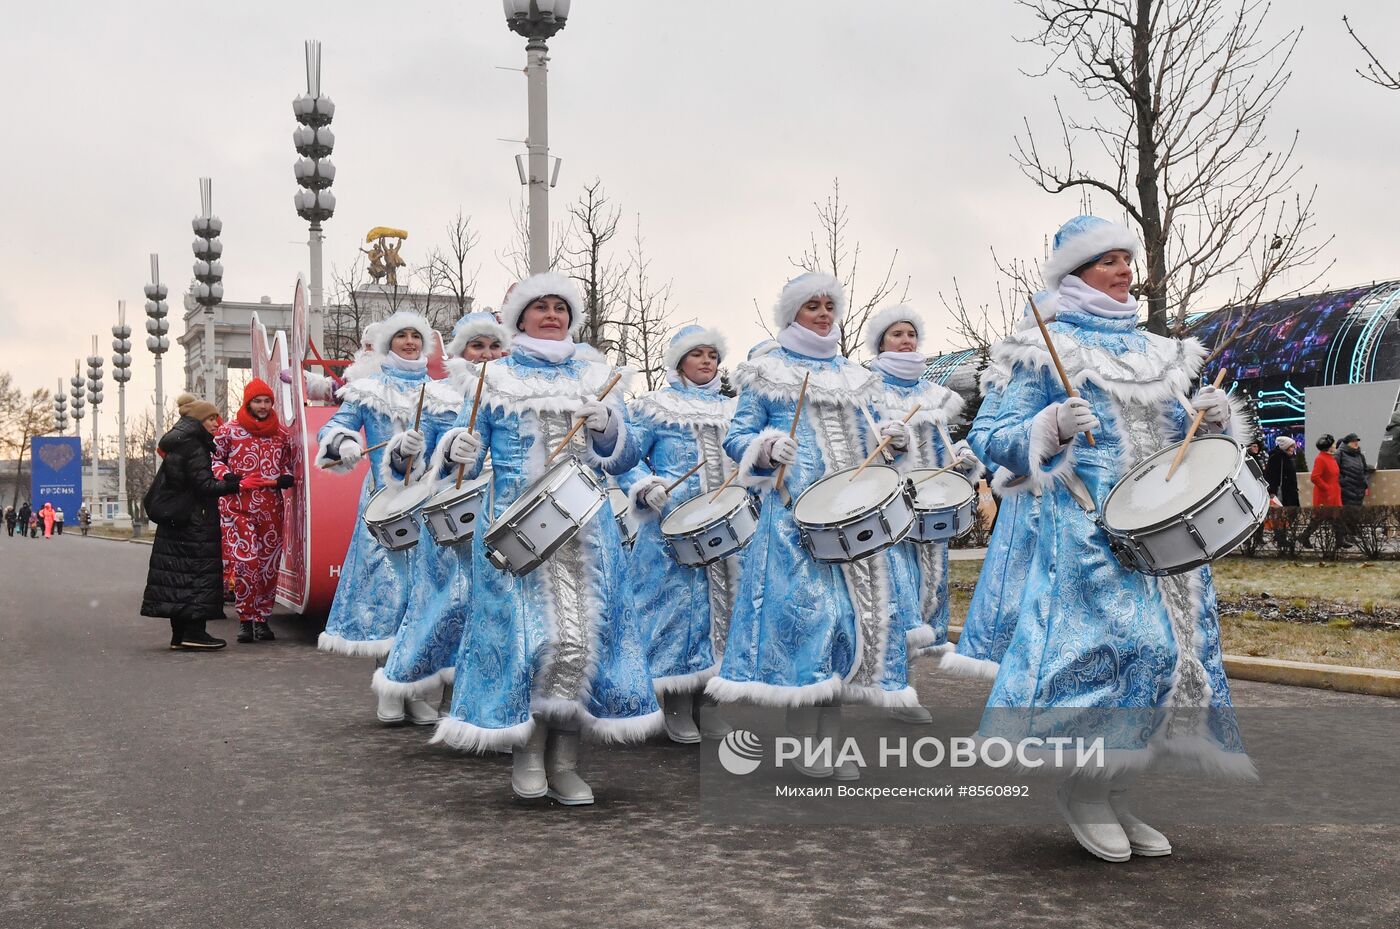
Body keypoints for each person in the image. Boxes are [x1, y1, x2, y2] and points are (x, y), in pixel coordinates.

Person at [974, 216, 1253, 863]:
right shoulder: (1042, 347)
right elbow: (992, 434)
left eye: (1127, 258)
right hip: (1088, 537)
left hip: (1165, 534)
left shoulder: (1157, 348)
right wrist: (1047, 425)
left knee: (1169, 663)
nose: (1125, 268)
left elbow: (1176, 438)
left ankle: (1118, 790)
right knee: (1129, 651)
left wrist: (1210, 420)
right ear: (1075, 272)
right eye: (1109, 260)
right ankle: (1084, 792)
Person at [432, 272, 660, 806]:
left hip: (588, 535)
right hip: (515, 528)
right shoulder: (492, 378)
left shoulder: (596, 376)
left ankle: (565, 761)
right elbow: (459, 461)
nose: (553, 315)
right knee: (533, 642)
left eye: (561, 307)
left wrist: (607, 426)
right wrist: (455, 450)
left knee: (584, 643)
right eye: (542, 307)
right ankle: (527, 753)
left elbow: (624, 459)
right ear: (519, 319)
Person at [705, 272, 923, 780]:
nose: (824, 313)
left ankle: (828, 743)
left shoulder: (857, 376)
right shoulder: (765, 372)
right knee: (809, 627)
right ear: (792, 314)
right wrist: (764, 447)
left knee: (849, 628)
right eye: (812, 306)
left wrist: (895, 439)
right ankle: (804, 744)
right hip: (792, 526)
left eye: (829, 305)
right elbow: (737, 438)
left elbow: (878, 433)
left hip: (856, 521)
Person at [315, 312, 462, 718]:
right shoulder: (367, 390)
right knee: (388, 592)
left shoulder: (444, 394)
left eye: (417, 335)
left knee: (425, 594)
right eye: (402, 336)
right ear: (387, 344)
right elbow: (334, 427)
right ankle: (387, 688)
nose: (411, 342)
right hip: (383, 503)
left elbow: (454, 442)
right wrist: (343, 441)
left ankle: (414, 689)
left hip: (428, 502)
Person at [373, 312, 511, 725]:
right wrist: (409, 451)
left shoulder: (514, 389)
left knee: (484, 612)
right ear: (458, 351)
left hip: (500, 515)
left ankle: (460, 703)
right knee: (442, 607)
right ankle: (402, 686)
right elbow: (421, 467)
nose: (485, 354)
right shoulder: (439, 394)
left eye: (492, 346)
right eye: (476, 346)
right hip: (450, 517)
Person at [617, 325, 738, 744]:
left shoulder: (735, 410)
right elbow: (625, 458)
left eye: (713, 355)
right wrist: (644, 487)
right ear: (679, 361)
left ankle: (711, 702)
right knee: (674, 614)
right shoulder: (655, 407)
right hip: (671, 529)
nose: (707, 361)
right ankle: (674, 703)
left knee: (724, 613)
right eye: (698, 354)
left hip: (726, 531)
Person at [866, 304, 982, 721]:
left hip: (931, 508)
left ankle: (902, 682)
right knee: (895, 598)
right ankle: (893, 687)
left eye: (911, 334)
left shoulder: (935, 394)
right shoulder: (866, 390)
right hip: (887, 508)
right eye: (896, 334)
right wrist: (884, 442)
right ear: (880, 342)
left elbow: (944, 447)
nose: (906, 341)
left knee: (925, 595)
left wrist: (964, 459)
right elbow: (855, 454)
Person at [140, 393, 244, 650]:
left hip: (177, 521)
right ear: (198, 420)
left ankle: (179, 636)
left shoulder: (178, 441)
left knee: (179, 578)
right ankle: (195, 633)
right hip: (194, 522)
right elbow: (203, 485)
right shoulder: (194, 446)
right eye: (210, 419)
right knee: (196, 576)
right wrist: (231, 485)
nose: (216, 423)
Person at [211, 378, 296, 645]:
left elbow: (289, 466)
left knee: (269, 565)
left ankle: (262, 620)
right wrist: (231, 478)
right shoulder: (229, 431)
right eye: (257, 401)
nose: (262, 406)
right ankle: (245, 620)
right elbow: (213, 459)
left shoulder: (281, 434)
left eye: (266, 401)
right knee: (247, 562)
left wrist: (285, 477)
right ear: (248, 403)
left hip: (271, 507)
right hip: (238, 506)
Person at [1337, 433, 1371, 506]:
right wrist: (1343, 482)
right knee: (1347, 514)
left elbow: (1366, 470)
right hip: (1346, 492)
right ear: (1347, 443)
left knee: (1357, 514)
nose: (1356, 443)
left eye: (1357, 441)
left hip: (1359, 492)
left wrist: (1365, 482)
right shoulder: (1340, 454)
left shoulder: (1360, 455)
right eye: (1353, 441)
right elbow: (1334, 470)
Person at [1265, 436, 1300, 507]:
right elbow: (1271, 476)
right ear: (1285, 447)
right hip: (1283, 493)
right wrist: (1272, 491)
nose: (1293, 449)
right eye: (1291, 447)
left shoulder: (1287, 458)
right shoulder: (1277, 457)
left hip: (1289, 492)